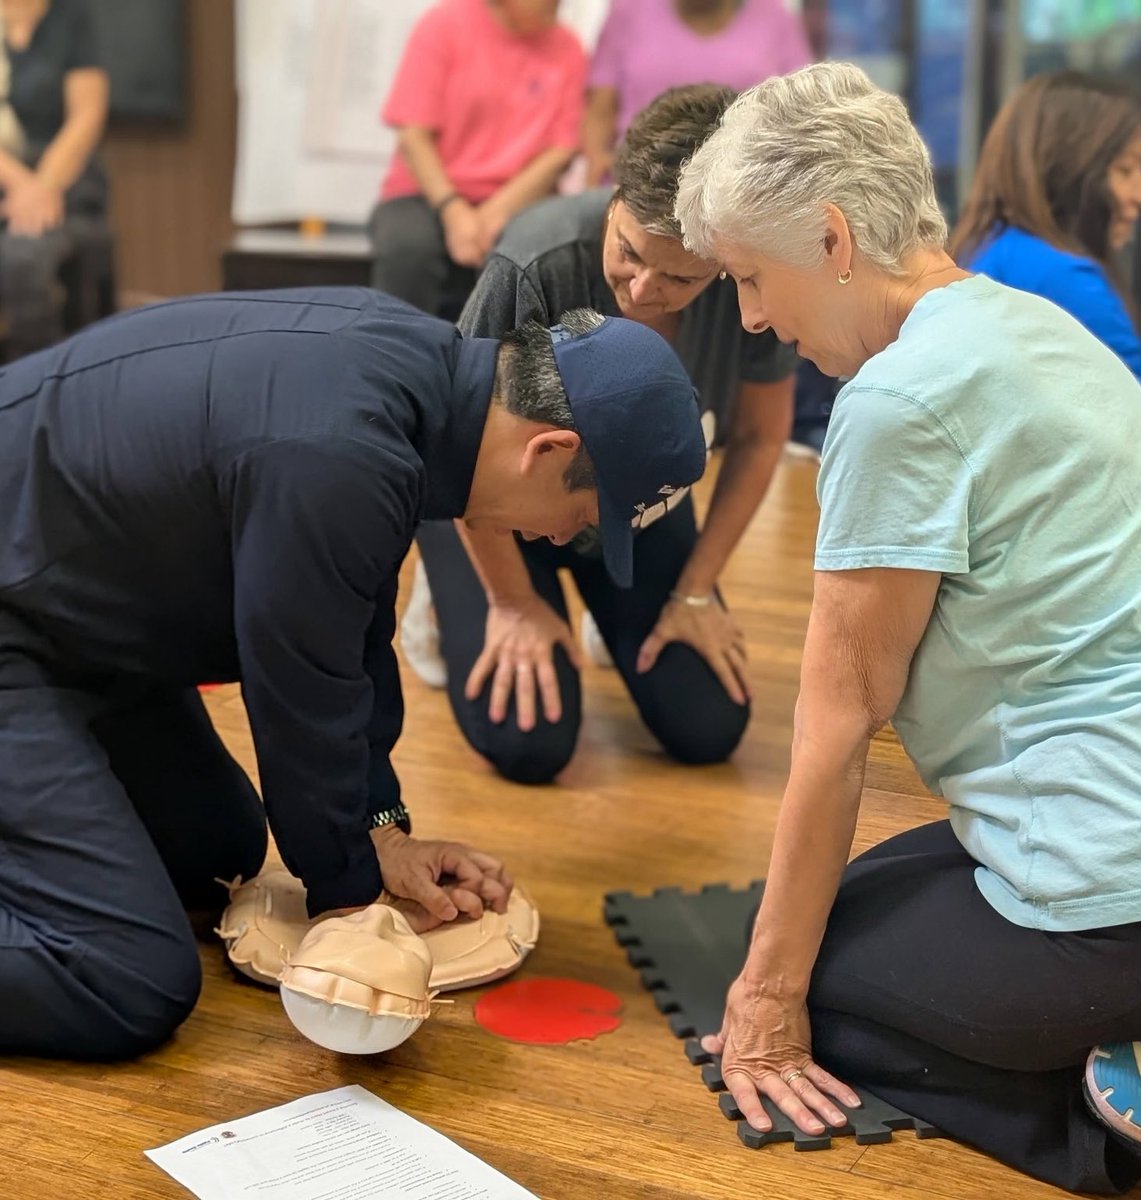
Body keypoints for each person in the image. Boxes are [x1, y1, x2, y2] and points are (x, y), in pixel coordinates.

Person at [0, 286, 706, 1061]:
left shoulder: (410, 384)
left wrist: (380, 833)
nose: (562, 538)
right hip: (21, 626)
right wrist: (351, 902)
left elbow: (350, 637)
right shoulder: (340, 453)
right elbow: (297, 686)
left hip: (79, 618)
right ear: (548, 451)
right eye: (583, 518)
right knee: (123, 979)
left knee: (217, 855)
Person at [675, 62, 1141, 1194]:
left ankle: (1098, 1120)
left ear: (832, 239)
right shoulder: (1029, 319)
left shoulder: (896, 400)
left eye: (751, 278)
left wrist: (768, 1000)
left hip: (1110, 887)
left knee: (813, 995)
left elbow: (839, 727)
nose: (751, 317)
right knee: (844, 905)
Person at [404, 84, 799, 784]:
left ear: (727, 261)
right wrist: (512, 605)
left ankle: (604, 607)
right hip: (493, 504)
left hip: (629, 507)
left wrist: (694, 591)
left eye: (679, 277)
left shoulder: (754, 288)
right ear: (612, 200)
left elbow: (762, 438)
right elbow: (452, 437)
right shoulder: (536, 258)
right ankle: (446, 598)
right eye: (629, 253)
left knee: (707, 726)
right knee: (529, 743)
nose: (642, 290)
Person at [369, 0, 586, 320]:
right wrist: (453, 210)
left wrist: (495, 213)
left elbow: (561, 151)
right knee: (409, 249)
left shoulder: (568, 48)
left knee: (538, 255)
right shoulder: (442, 24)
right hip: (427, 193)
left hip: (520, 199)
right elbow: (414, 134)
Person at [951, 70, 1141, 379]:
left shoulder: (989, 248)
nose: (1137, 195)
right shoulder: (1062, 278)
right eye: (1125, 170)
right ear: (1070, 171)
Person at [581, 0, 810, 188]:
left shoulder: (774, 17)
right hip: (638, 181)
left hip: (741, 186)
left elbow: (801, 110)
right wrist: (597, 160)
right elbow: (600, 109)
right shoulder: (628, 10)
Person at [0, 0, 109, 361]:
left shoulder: (71, 17)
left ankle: (36, 378)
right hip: (7, 175)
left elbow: (87, 115)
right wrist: (20, 184)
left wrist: (43, 187)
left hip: (64, 180)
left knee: (24, 259)